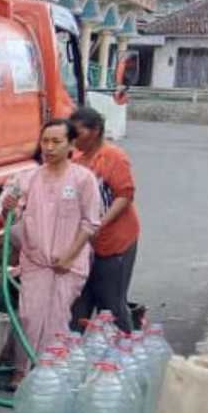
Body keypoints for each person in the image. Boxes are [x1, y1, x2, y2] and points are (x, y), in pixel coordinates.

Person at [2, 119, 102, 386]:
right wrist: (8, 207)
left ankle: (47, 373)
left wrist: (69, 257)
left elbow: (90, 223)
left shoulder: (83, 179)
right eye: (45, 141)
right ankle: (21, 371)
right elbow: (10, 215)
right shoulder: (29, 178)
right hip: (36, 261)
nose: (49, 147)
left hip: (69, 264)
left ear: (71, 145)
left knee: (56, 318)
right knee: (29, 316)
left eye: (56, 142)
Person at [69, 106, 139, 333]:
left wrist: (100, 223)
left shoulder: (114, 157)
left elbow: (124, 195)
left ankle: (125, 352)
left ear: (96, 131)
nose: (72, 139)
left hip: (115, 241)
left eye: (77, 133)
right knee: (79, 302)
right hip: (86, 244)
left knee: (111, 304)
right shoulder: (77, 159)